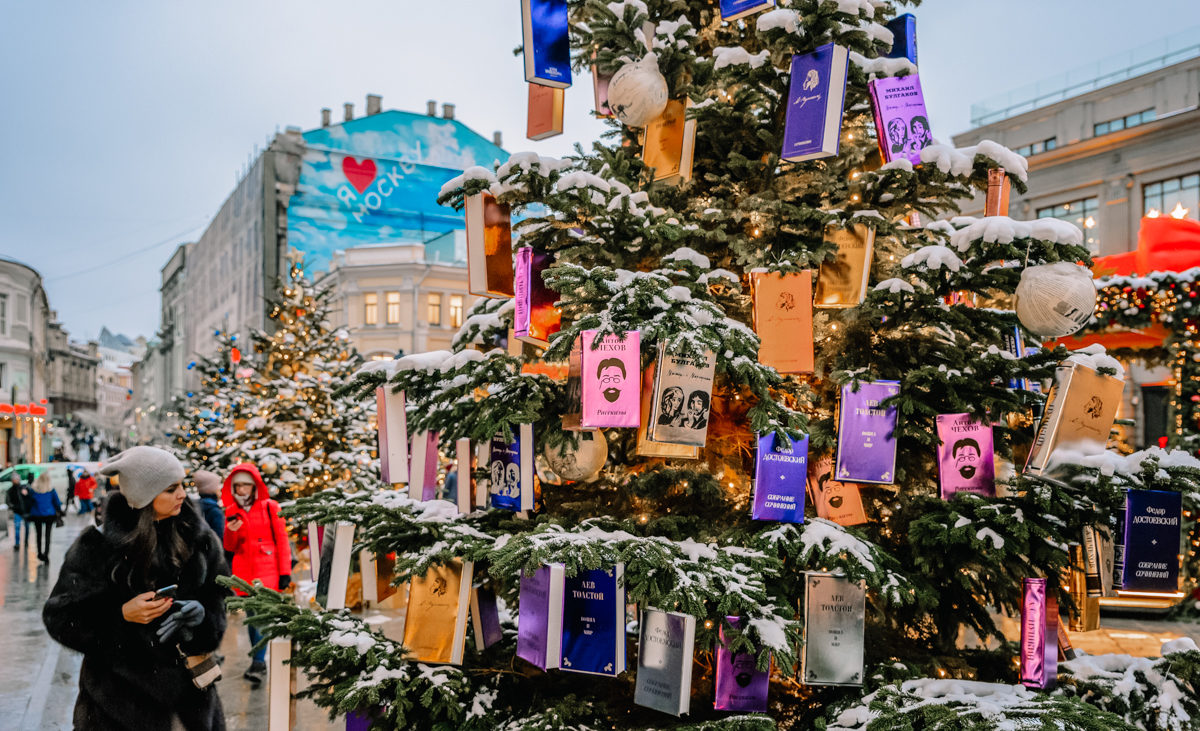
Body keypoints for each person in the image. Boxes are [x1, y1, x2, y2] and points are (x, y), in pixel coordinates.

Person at [43, 445, 229, 730]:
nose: (183, 494)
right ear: (144, 495)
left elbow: (219, 597)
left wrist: (203, 616)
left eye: (182, 485)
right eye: (171, 489)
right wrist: (119, 616)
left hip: (189, 706)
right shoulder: (98, 546)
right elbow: (59, 617)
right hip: (117, 709)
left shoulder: (200, 540)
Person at [222, 463, 290, 684]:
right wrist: (231, 532)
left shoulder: (270, 507)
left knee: (260, 619)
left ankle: (258, 662)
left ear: (254, 486)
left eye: (246, 485)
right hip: (244, 573)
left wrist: (285, 572)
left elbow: (282, 540)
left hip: (268, 571)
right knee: (252, 619)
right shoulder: (232, 511)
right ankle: (257, 659)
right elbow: (229, 547)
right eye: (237, 486)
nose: (241, 490)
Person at [28, 471, 64, 562]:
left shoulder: (33, 490)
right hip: (49, 515)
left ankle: (39, 553)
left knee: (38, 535)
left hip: (37, 515)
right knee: (48, 535)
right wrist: (59, 511)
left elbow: (30, 502)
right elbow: (57, 502)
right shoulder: (51, 490)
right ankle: (46, 554)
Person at [192, 470, 225, 543]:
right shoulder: (215, 510)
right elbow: (219, 536)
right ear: (212, 490)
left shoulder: (197, 505)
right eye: (218, 489)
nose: (220, 492)